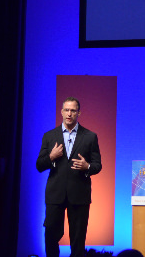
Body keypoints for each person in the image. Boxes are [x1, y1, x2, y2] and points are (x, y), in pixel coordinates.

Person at [37, 97, 102, 257]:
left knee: (78, 240)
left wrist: (87, 167)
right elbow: (39, 165)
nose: (69, 114)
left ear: (79, 113)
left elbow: (98, 165)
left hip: (79, 194)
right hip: (55, 194)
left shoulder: (90, 136)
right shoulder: (49, 136)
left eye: (73, 110)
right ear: (61, 112)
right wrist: (51, 157)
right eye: (66, 110)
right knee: (51, 235)